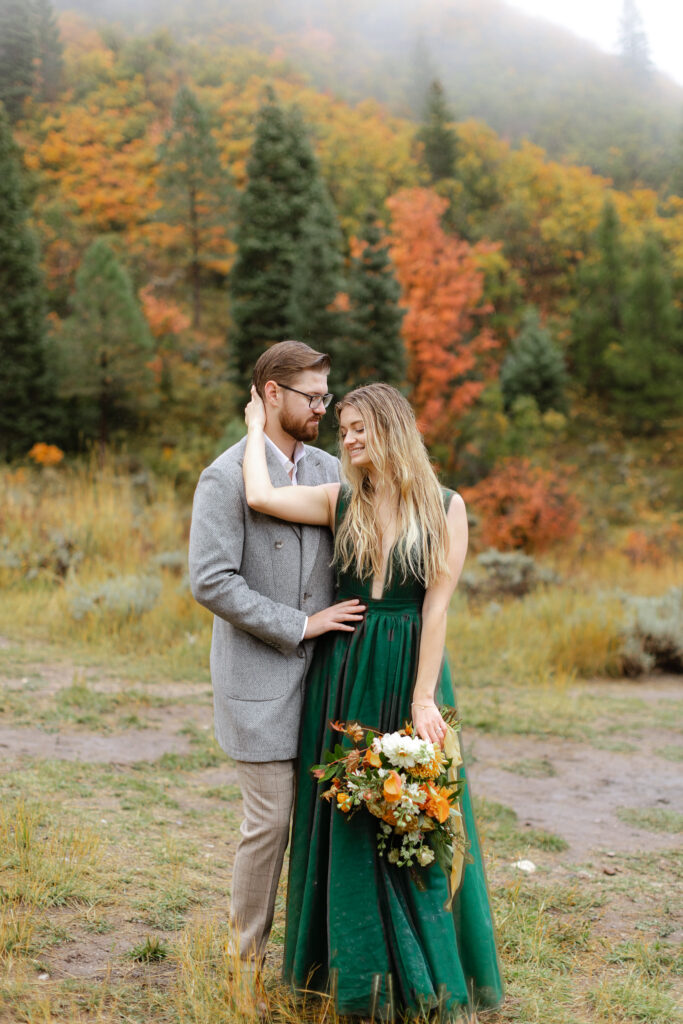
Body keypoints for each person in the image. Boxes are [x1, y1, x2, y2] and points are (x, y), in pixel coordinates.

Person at [242, 381, 503, 1021]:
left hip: (412, 668)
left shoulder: (446, 506)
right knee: (349, 810)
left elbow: (436, 608)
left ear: (391, 428)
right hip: (346, 671)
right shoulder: (341, 499)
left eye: (360, 428)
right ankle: (352, 976)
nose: (349, 440)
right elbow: (260, 494)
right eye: (344, 429)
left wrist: (422, 699)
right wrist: (255, 428)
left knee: (416, 809)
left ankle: (428, 976)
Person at [188, 340, 364, 971]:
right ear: (270, 395)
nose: (322, 407)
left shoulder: (328, 471)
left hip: (330, 684)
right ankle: (245, 968)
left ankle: (315, 962)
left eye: (325, 396)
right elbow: (210, 579)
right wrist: (301, 623)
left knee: (323, 827)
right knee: (269, 826)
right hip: (256, 684)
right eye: (312, 396)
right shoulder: (222, 476)